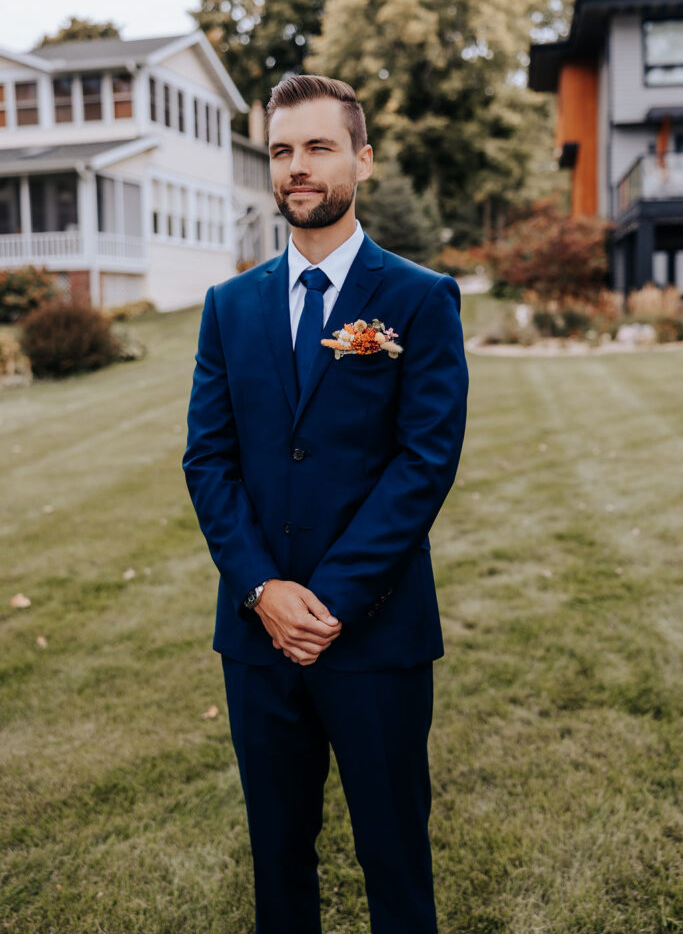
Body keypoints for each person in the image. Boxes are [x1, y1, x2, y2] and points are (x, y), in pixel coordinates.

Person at [182, 74, 468, 934]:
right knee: (277, 862)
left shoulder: (419, 298)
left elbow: (424, 462)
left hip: (376, 634)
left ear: (361, 159)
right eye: (280, 151)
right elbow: (208, 457)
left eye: (317, 147)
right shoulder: (228, 307)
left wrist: (330, 599)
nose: (296, 168)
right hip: (256, 637)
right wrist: (262, 589)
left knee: (394, 859)